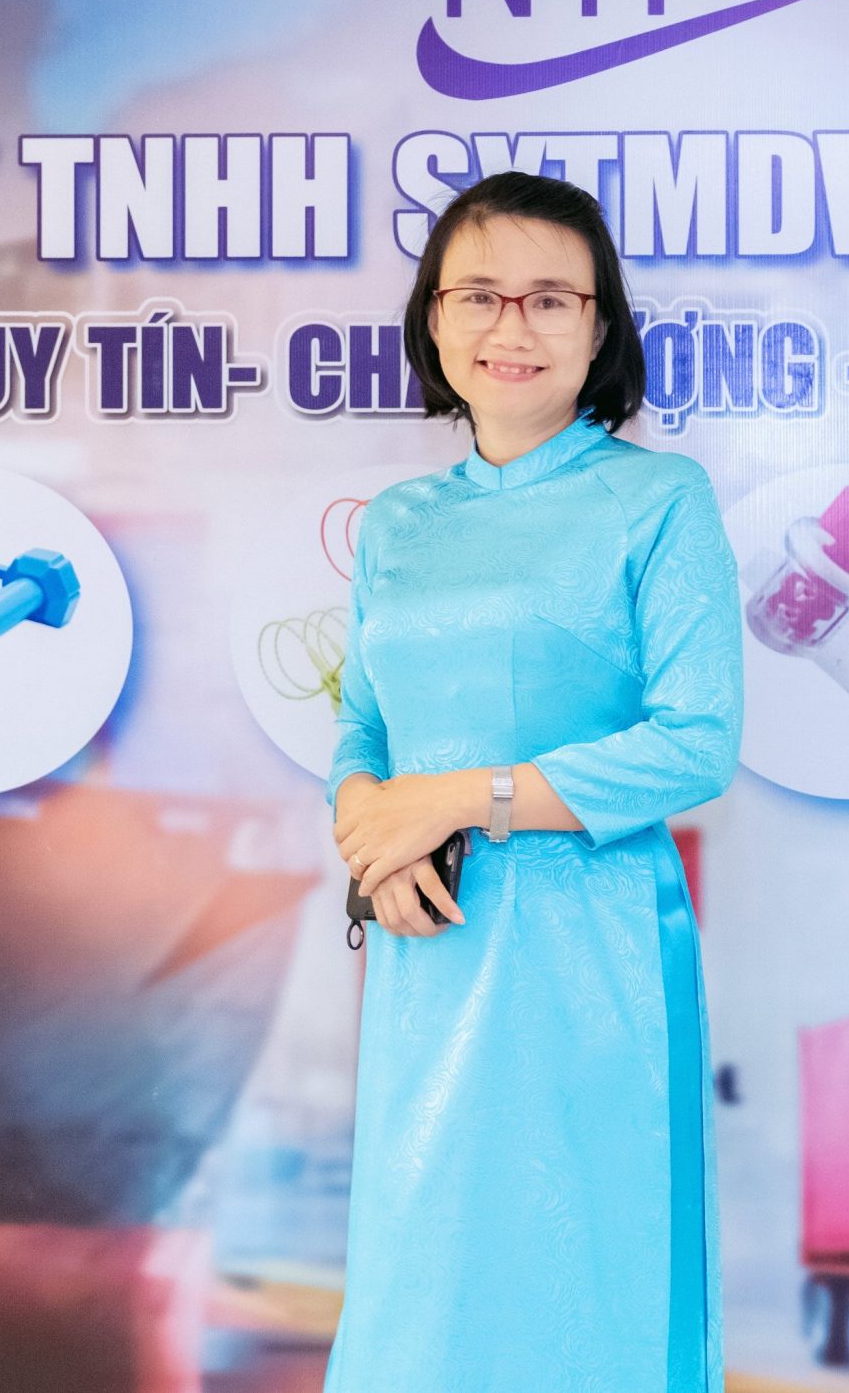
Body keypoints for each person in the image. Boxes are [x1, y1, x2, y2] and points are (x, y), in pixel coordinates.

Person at [323, 170, 744, 1391]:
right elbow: (363, 724)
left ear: (599, 329)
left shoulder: (657, 499)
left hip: (588, 950)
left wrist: (455, 800)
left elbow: (696, 741)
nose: (512, 327)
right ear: (433, 318)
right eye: (480, 295)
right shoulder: (398, 522)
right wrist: (367, 832)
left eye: (552, 298)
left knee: (582, 1281)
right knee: (423, 1279)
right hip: (426, 945)